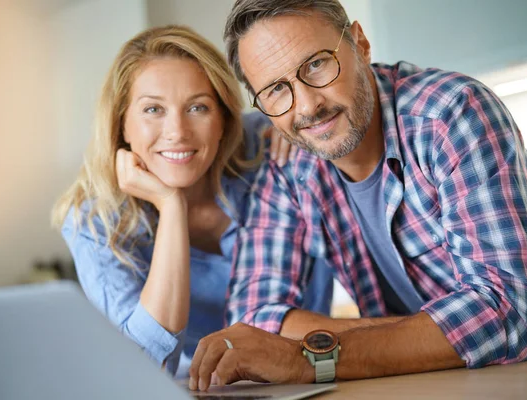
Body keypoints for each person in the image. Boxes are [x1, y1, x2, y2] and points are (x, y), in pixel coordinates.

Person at [188, 0, 527, 391]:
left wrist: (313, 355)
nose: (308, 105)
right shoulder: (288, 165)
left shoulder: (451, 114)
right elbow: (253, 318)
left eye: (316, 64)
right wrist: (418, 336)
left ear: (360, 43)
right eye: (277, 90)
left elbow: (510, 314)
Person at [51, 25, 333, 378]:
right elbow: (144, 367)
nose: (178, 131)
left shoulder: (269, 143)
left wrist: (298, 128)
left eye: (197, 107)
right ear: (121, 123)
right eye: (153, 109)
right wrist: (171, 207)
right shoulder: (95, 222)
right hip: (203, 386)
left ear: (223, 119)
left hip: (311, 368)